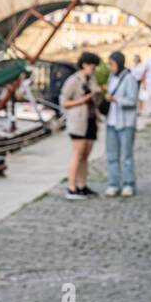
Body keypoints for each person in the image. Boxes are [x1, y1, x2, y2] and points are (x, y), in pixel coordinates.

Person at [60, 52, 102, 198]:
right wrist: (83, 100)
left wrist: (96, 94)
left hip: (90, 120)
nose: (94, 69)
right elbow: (64, 102)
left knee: (85, 155)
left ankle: (82, 185)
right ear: (84, 65)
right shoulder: (73, 80)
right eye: (92, 66)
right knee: (77, 154)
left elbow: (94, 98)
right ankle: (71, 187)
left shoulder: (92, 79)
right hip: (78, 121)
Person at [104, 51, 140, 198]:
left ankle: (128, 184)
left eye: (111, 64)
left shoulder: (130, 79)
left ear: (118, 63)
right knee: (112, 155)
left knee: (126, 156)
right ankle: (113, 184)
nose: (109, 67)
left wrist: (115, 99)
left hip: (125, 123)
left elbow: (132, 101)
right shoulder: (111, 78)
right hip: (111, 122)